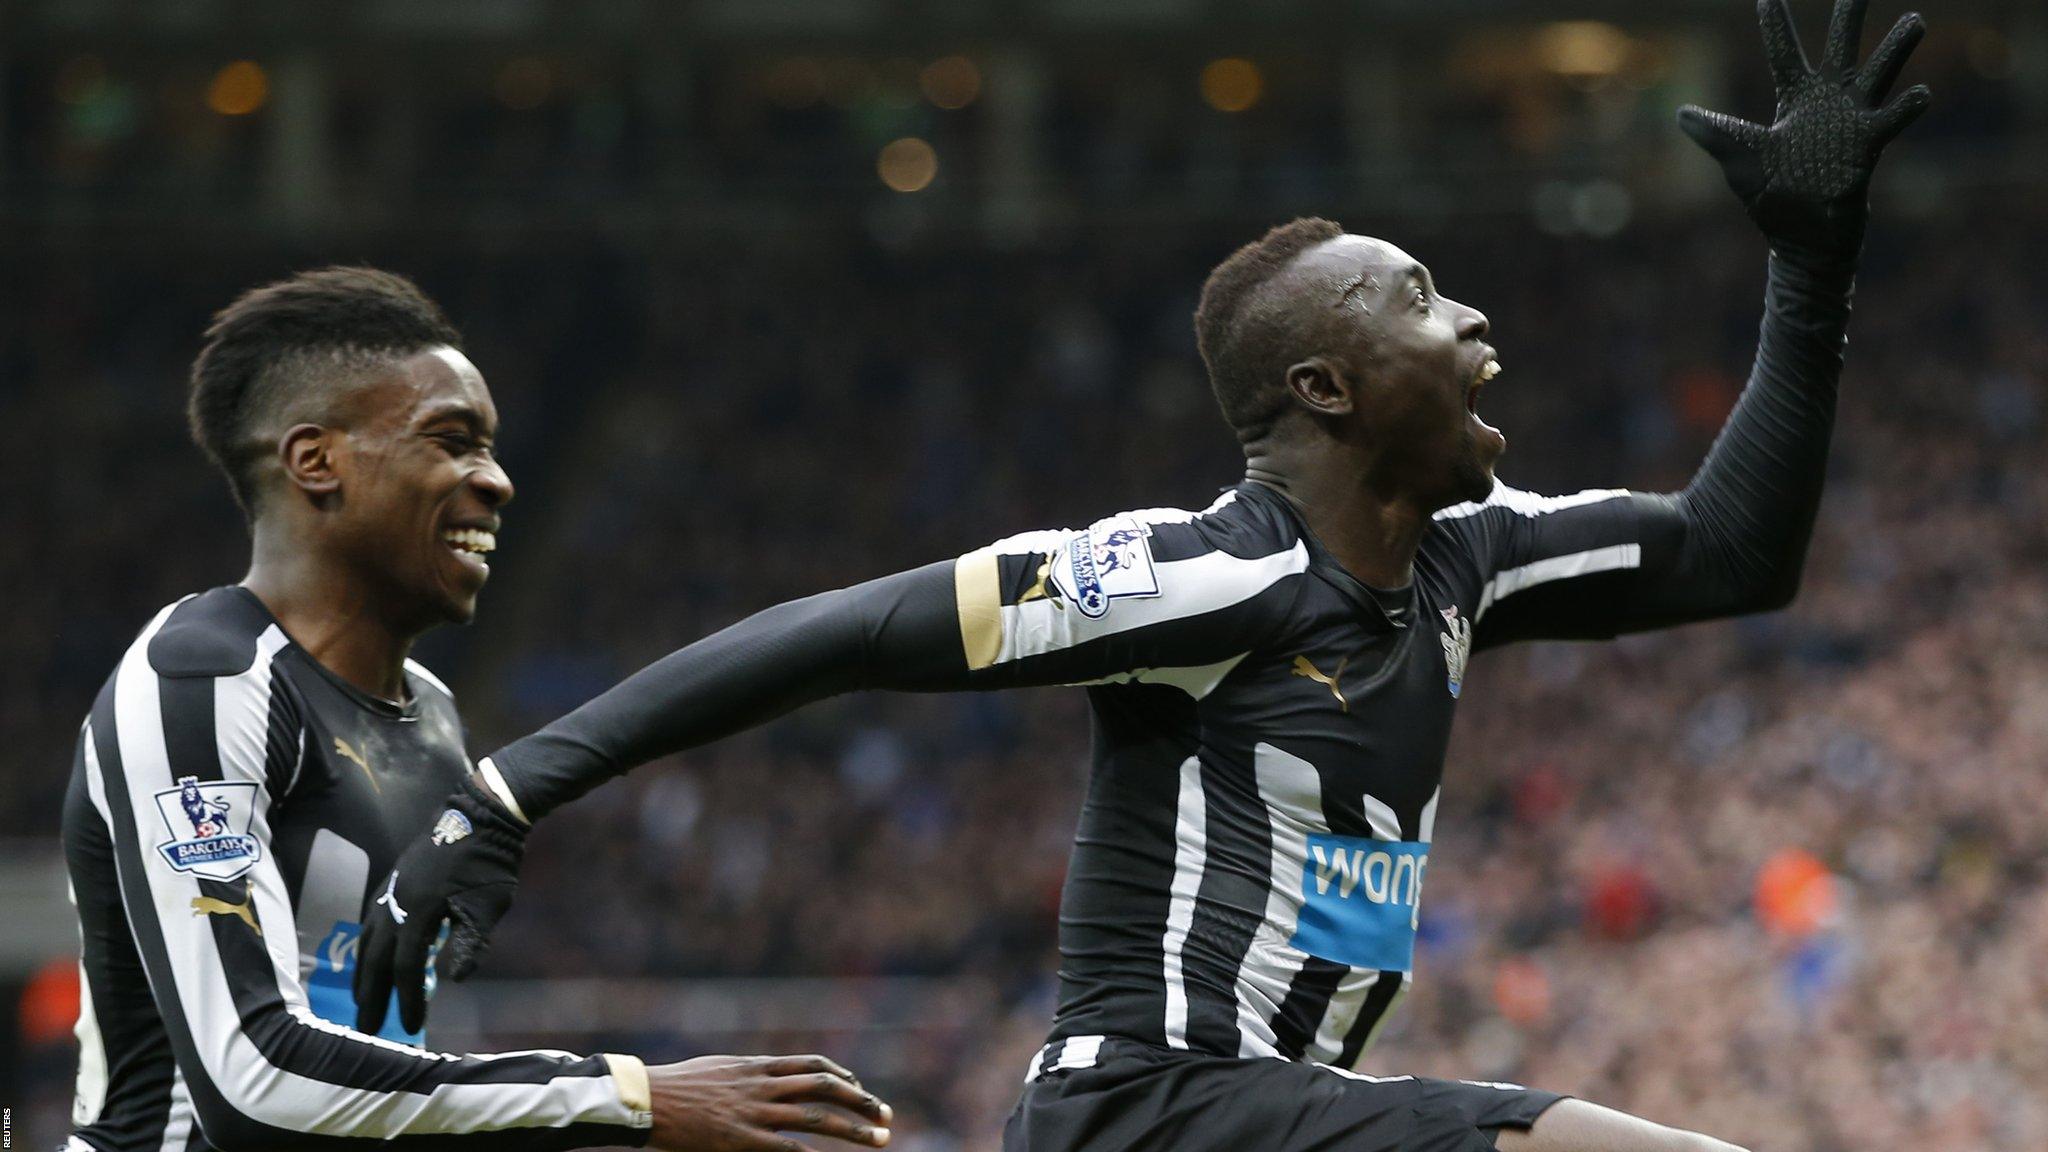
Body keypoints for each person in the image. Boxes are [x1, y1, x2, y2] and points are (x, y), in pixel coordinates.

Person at [354, 2, 1928, 1148]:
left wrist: (1814, 261)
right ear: (1321, 387)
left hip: (1288, 1116)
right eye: (1420, 299)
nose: (1473, 327)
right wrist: (505, 795)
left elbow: (1735, 553)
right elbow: (842, 633)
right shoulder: (1191, 583)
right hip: (1157, 1111)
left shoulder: (1471, 560)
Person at [60, 268, 892, 1151]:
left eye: (490, 448)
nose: (496, 482)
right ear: (317, 461)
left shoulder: (435, 715)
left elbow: (385, 1073)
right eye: (452, 440)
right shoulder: (204, 680)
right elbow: (254, 1086)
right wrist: (631, 1096)